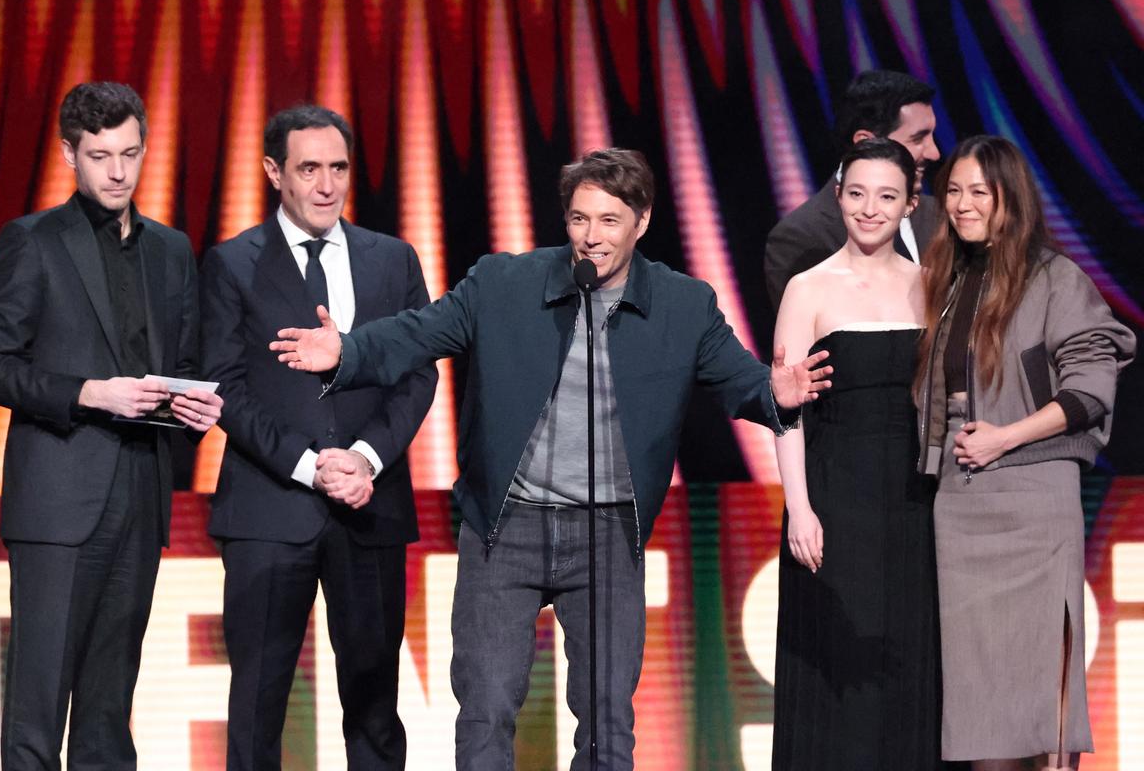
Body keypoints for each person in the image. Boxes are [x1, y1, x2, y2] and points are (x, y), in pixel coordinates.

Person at [269, 147, 832, 770]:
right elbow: (415, 333)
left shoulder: (684, 304)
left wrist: (773, 393)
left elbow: (740, 381)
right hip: (505, 527)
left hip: (609, 532)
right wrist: (346, 351)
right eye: (579, 219)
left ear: (642, 222)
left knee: (607, 715)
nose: (591, 238)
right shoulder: (503, 284)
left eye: (610, 221)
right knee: (485, 707)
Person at [0, 81, 224, 770]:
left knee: (110, 714)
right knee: (38, 706)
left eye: (131, 153)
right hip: (58, 501)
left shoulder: (171, 251)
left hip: (141, 497)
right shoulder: (32, 241)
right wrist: (88, 392)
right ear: (69, 156)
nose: (118, 171)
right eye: (100, 155)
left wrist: (197, 411)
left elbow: (188, 362)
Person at [200, 104, 437, 770]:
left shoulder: (393, 260)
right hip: (269, 511)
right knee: (257, 700)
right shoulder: (231, 264)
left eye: (338, 167)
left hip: (369, 506)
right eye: (309, 169)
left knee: (373, 701)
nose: (327, 184)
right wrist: (310, 466)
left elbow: (418, 376)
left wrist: (363, 459)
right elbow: (224, 388)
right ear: (275, 172)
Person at [917, 136, 1135, 770]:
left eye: (978, 191)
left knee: (1042, 694)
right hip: (960, 504)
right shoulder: (946, 283)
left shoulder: (1054, 278)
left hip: (1033, 503)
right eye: (953, 190)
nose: (961, 204)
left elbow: (1092, 389)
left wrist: (1004, 437)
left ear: (1009, 198)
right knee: (979, 702)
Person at [770, 138, 943, 769]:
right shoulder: (807, 289)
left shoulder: (931, 285)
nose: (869, 209)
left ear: (909, 204)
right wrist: (800, 509)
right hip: (835, 498)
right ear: (839, 195)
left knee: (910, 664)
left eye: (887, 196)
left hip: (916, 499)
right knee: (840, 669)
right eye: (857, 193)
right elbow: (785, 409)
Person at [764, 69, 941, 307]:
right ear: (867, 142)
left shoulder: (940, 216)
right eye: (918, 139)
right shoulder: (800, 237)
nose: (934, 153)